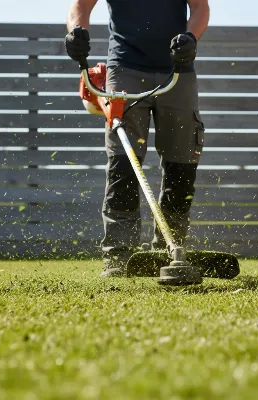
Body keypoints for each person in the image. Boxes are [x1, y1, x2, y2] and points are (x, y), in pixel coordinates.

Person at [65, 0, 210, 276]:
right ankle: (119, 256)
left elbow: (200, 8)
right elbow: (80, 6)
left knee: (182, 164)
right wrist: (76, 32)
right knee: (124, 163)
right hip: (125, 69)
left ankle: (170, 248)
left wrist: (190, 38)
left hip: (177, 69)